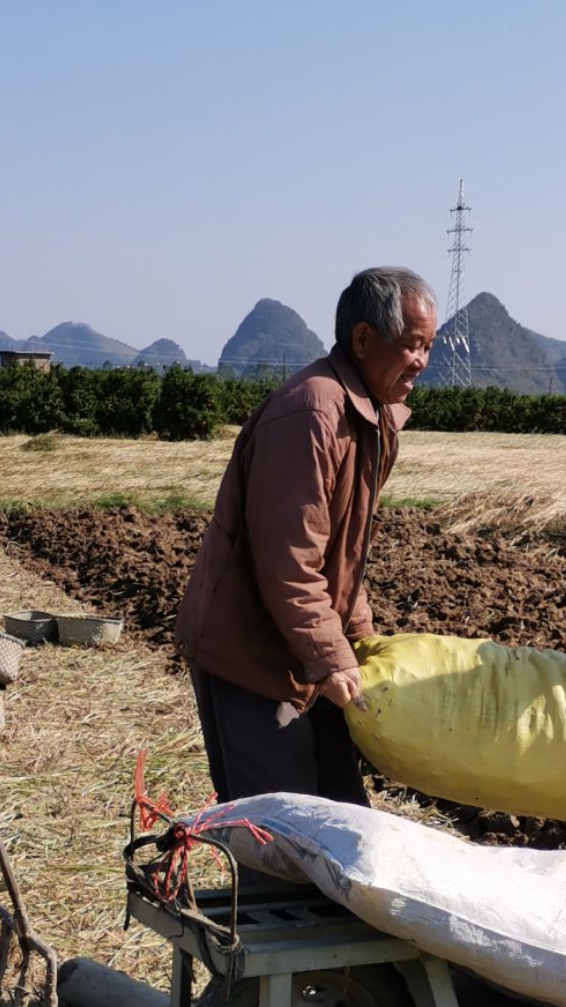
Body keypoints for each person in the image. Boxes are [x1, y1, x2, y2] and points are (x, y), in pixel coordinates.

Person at [175, 267, 437, 804]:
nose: (422, 363)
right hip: (252, 659)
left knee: (342, 818)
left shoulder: (375, 418)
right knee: (280, 834)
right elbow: (290, 561)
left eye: (428, 347)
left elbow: (346, 550)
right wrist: (334, 656)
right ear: (364, 339)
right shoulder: (311, 414)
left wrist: (360, 642)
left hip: (304, 652)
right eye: (413, 346)